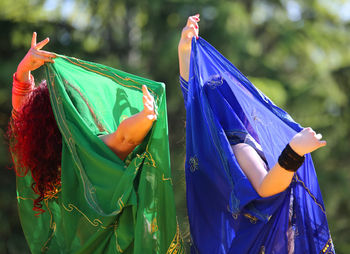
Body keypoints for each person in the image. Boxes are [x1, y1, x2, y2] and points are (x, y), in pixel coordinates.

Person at [9, 32, 183, 253]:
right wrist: (145, 117)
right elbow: (124, 137)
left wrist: (23, 72)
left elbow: (21, 114)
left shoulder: (37, 165)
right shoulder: (90, 154)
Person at [178, 15, 334, 253]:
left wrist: (185, 48)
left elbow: (195, 101)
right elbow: (265, 187)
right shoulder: (239, 147)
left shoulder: (214, 146)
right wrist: (294, 152)